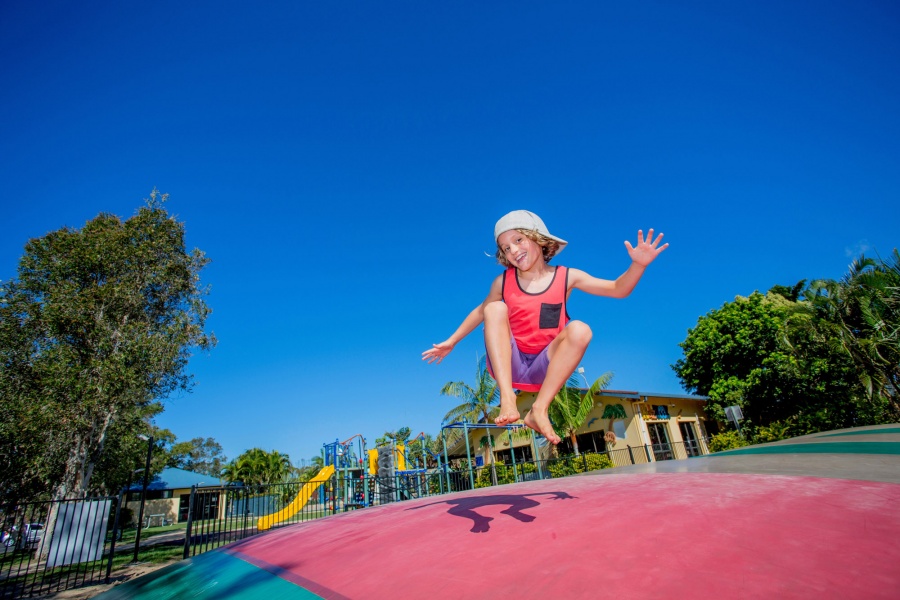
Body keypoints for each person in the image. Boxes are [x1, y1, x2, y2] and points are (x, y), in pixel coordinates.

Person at [422, 210, 668, 444]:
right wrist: (452, 341)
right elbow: (480, 312)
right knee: (494, 308)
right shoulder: (503, 282)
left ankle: (539, 409)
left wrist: (638, 265)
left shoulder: (567, 276)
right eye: (506, 248)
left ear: (539, 239)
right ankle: (508, 398)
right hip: (510, 364)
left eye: (518, 240)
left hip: (544, 367)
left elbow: (618, 289)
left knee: (580, 329)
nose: (513, 250)